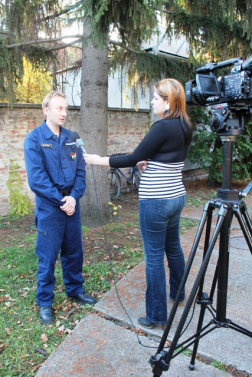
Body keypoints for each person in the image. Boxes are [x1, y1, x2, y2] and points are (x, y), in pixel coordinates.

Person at [84, 78, 192, 329]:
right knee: (173, 247)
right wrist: (147, 162)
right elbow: (166, 156)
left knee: (153, 257)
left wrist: (98, 159)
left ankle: (156, 315)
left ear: (168, 102)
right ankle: (179, 293)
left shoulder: (162, 126)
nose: (152, 101)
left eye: (155, 98)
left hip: (156, 201)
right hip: (176, 197)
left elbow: (134, 157)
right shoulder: (185, 125)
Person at [23, 91, 97, 325]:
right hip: (50, 209)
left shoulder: (72, 138)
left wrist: (74, 197)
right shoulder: (34, 139)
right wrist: (61, 200)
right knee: (48, 257)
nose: (64, 113)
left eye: (66, 108)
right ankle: (45, 302)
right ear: (46, 110)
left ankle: (75, 290)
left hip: (71, 206)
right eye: (59, 109)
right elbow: (37, 179)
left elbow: (80, 172)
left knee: (74, 252)